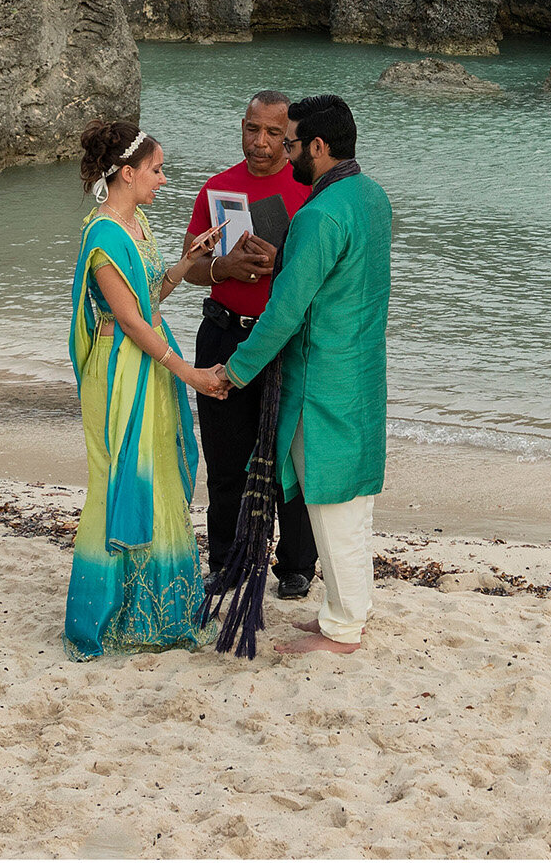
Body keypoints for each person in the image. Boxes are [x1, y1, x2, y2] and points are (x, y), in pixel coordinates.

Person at [219, 94, 392, 656]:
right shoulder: (371, 196)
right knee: (351, 503)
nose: (285, 152)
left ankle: (343, 627)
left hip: (322, 380)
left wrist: (237, 371)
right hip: (361, 368)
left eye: (290, 142)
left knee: (329, 503)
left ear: (318, 146)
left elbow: (286, 311)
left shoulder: (319, 213)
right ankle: (349, 610)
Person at [62, 118, 224, 660]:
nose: (162, 179)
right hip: (120, 370)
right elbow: (130, 321)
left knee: (155, 477)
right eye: (156, 170)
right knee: (121, 477)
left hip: (148, 358)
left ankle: (155, 611)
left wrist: (188, 260)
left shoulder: (138, 226)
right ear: (127, 174)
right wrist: (193, 374)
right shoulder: (104, 235)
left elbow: (151, 299)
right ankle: (104, 614)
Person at [182, 91, 320, 601]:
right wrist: (224, 267)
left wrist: (278, 260)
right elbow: (187, 266)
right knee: (224, 460)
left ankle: (296, 566)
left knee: (290, 456)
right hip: (222, 331)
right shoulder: (217, 188)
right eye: (250, 129)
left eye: (272, 133)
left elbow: (323, 271)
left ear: (292, 138)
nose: (259, 143)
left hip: (282, 339)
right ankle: (226, 561)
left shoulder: (308, 191)